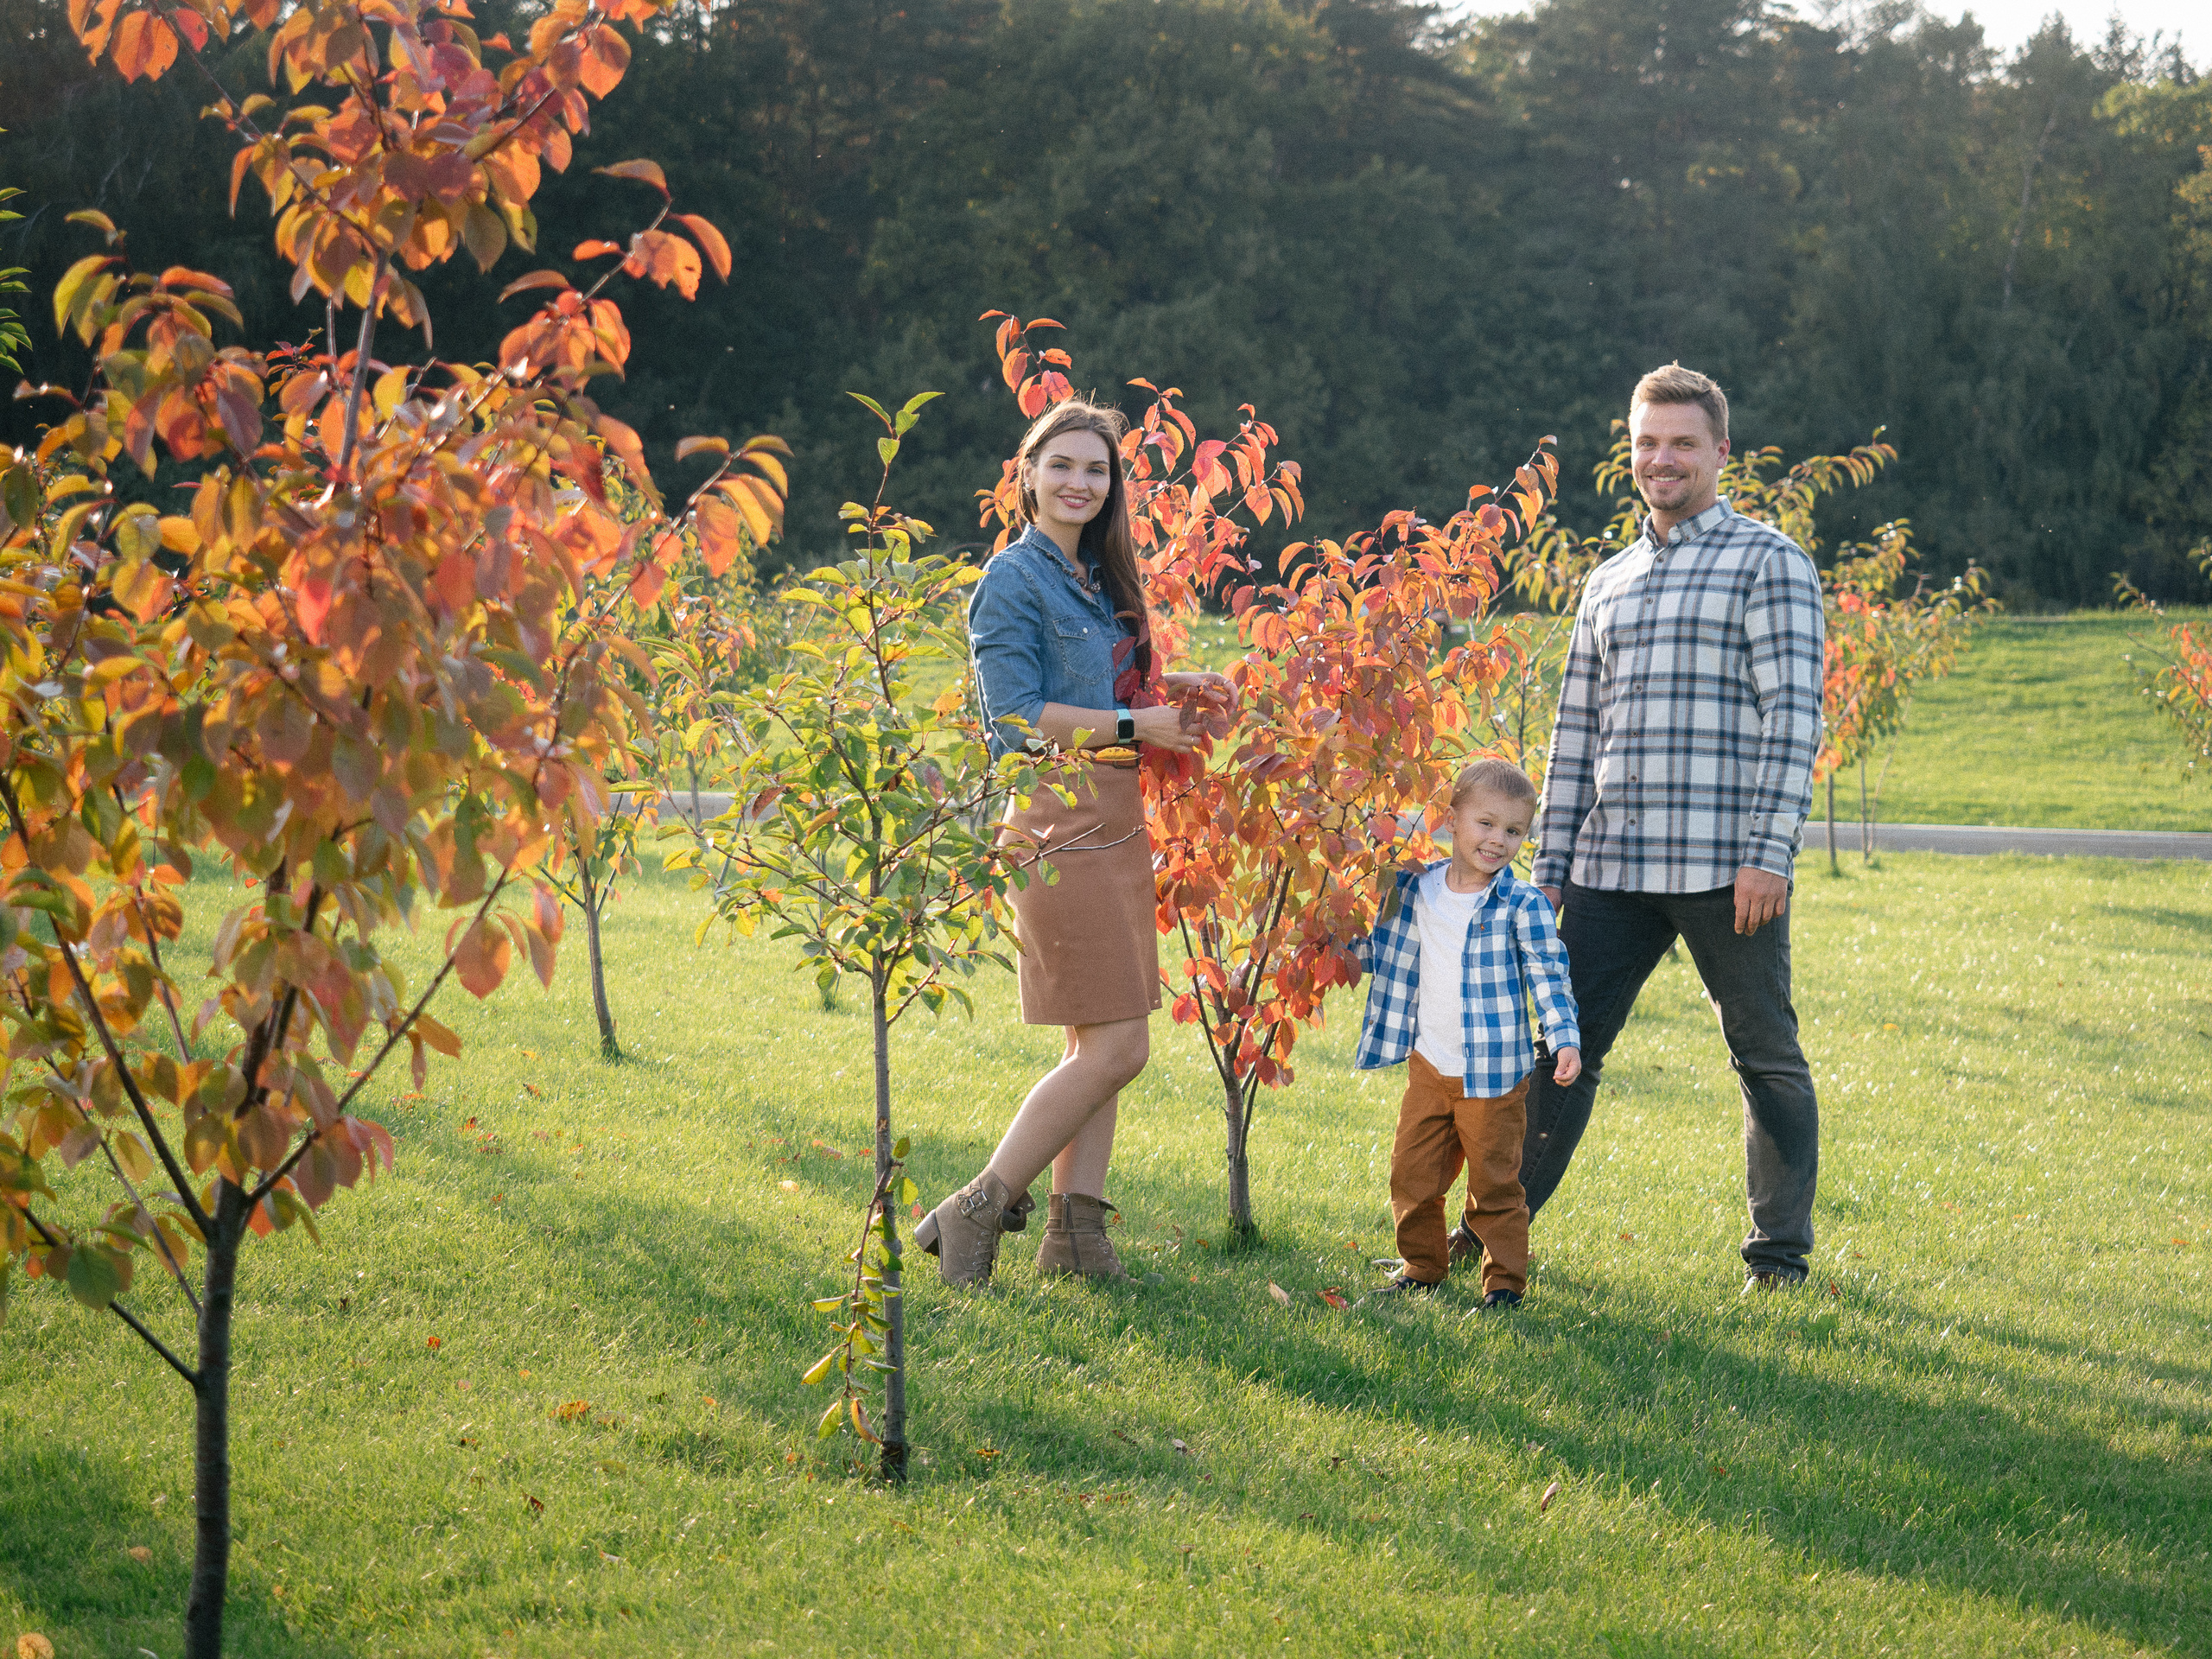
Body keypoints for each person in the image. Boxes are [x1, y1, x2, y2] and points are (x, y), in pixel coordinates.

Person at [1520, 362, 1825, 1289]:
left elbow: (1793, 720)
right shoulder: (1605, 582)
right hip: (1610, 867)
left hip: (1723, 870)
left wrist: (1768, 854)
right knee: (1561, 1051)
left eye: (1682, 443)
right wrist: (1550, 861)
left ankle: (1776, 1261)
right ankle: (1496, 1230)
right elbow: (1575, 732)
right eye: (1647, 442)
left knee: (1764, 1055)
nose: (1662, 459)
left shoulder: (1768, 562)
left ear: (1719, 453)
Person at [916, 398, 1233, 1287]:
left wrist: (1171, 687)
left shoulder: (1093, 577)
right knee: (1117, 1047)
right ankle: (975, 1209)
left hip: (1114, 815)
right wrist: (1139, 722)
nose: (1079, 483)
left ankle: (1076, 1241)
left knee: (1097, 1045)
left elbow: (1088, 686)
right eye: (1062, 465)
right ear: (1026, 474)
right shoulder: (1013, 580)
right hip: (1060, 818)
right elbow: (1015, 718)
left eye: (1095, 470)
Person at [1349, 759, 1582, 1308]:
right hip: (1429, 1065)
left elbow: (1550, 974)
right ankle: (1422, 1267)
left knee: (1495, 1186)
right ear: (1452, 820)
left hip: (1495, 1075)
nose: (1497, 840)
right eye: (1485, 823)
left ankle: (1503, 1283)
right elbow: (1381, 942)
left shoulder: (1522, 904)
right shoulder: (1416, 888)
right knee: (1413, 1174)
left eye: (1513, 831)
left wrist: (1564, 1035)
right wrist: (1326, 953)